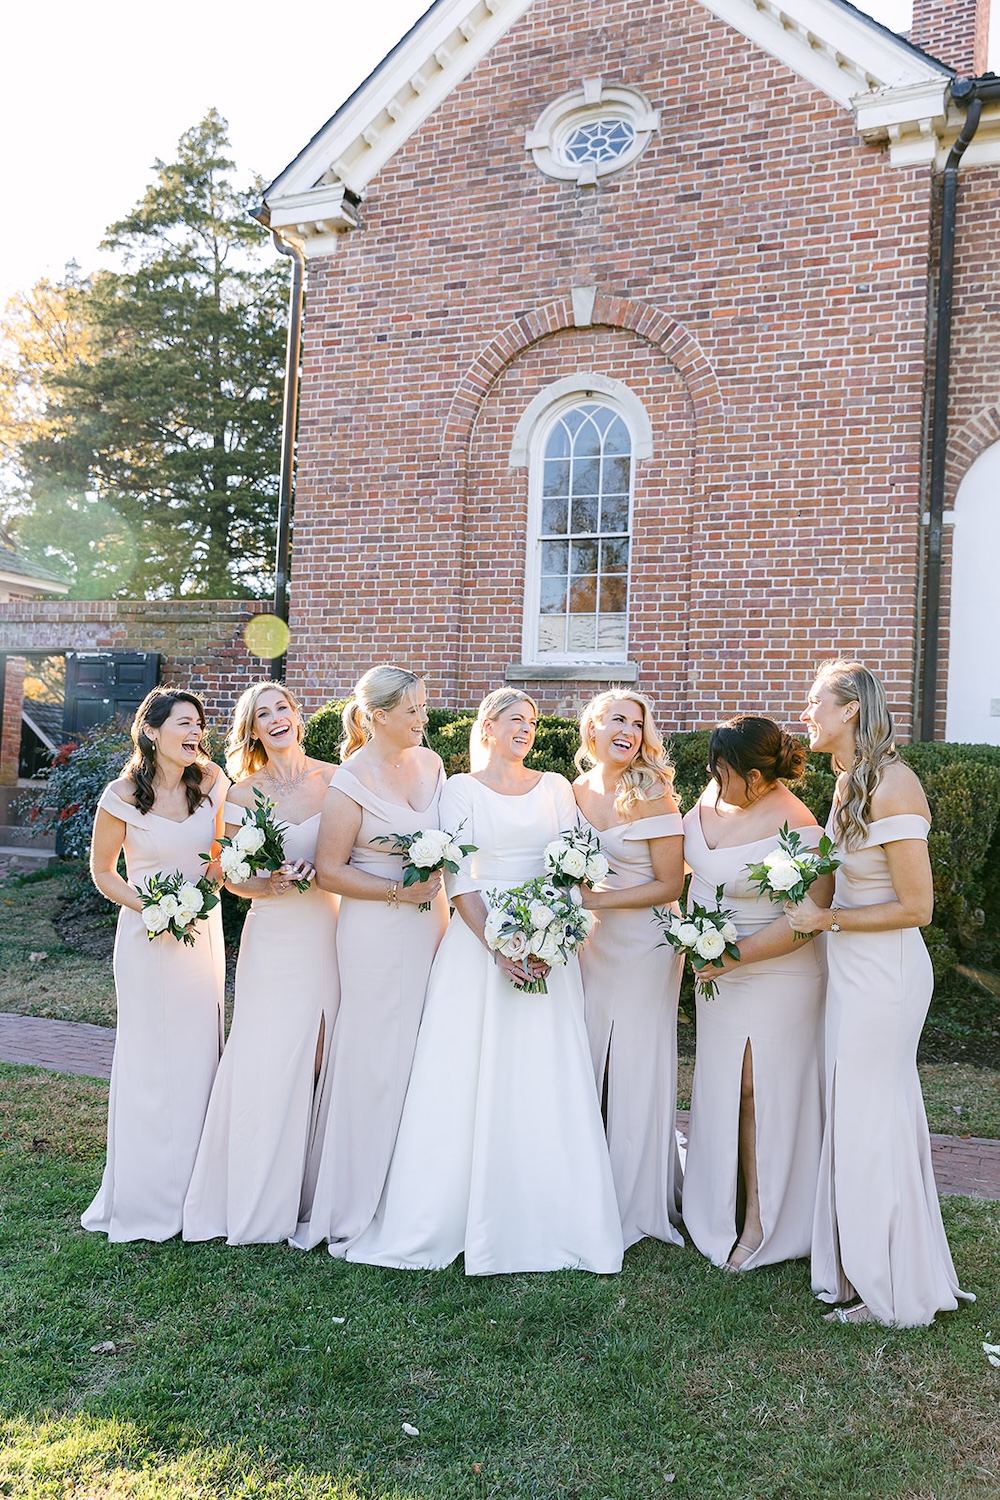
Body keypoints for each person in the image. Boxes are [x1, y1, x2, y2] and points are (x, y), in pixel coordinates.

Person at [345, 688, 624, 1275]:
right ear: (488, 728)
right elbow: (459, 880)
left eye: (532, 722)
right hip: (479, 950)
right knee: (464, 1076)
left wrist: (554, 934)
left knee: (544, 1074)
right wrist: (501, 944)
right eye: (514, 721)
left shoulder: (554, 788)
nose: (526, 730)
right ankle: (451, 1210)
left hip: (549, 947)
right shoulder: (460, 790)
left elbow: (570, 865)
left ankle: (552, 1212)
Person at [788, 659, 974, 1325]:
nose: (805, 714)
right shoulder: (847, 784)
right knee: (862, 1116)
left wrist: (826, 919)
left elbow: (917, 907)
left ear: (850, 712)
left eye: (815, 703)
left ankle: (890, 1285)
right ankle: (862, 1265)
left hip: (886, 973)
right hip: (850, 968)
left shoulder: (895, 788)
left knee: (872, 1120)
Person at [293, 665, 448, 1253]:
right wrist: (395, 892)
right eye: (412, 710)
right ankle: (360, 1192)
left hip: (429, 921)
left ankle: (415, 1184)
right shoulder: (349, 781)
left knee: (421, 1045)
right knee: (376, 1050)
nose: (422, 719)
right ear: (379, 715)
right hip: (376, 926)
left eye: (423, 707)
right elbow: (330, 869)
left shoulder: (433, 765)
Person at [182, 681, 338, 1245]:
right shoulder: (242, 794)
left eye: (283, 709)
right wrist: (268, 881)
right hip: (274, 936)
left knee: (324, 1052)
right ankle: (253, 1193)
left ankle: (311, 1191)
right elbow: (227, 876)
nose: (276, 719)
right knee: (267, 1056)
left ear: (298, 717)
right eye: (262, 714)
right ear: (251, 730)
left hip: (333, 930)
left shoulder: (336, 778)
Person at [681, 715, 827, 1271]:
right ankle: (718, 1202)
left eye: (727, 772)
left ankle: (763, 1222)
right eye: (714, 771)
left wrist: (731, 955)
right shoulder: (712, 799)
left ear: (760, 776)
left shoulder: (799, 824)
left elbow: (807, 920)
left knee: (756, 1089)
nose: (717, 781)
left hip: (776, 972)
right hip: (715, 974)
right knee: (724, 1086)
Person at [83, 688, 227, 1241]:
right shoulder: (120, 796)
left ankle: (200, 1186)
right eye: (184, 724)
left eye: (200, 725)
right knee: (151, 1056)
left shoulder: (212, 784)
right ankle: (147, 1192)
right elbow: (104, 873)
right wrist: (156, 907)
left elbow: (221, 855)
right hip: (147, 939)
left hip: (202, 934)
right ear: (152, 731)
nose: (195, 733)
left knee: (199, 1051)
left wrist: (209, 884)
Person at [572, 691, 685, 1249]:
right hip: (590, 945)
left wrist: (594, 903)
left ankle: (633, 1198)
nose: (630, 731)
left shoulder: (652, 790)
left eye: (638, 723)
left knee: (635, 1060)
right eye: (618, 719)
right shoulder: (571, 792)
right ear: (592, 726)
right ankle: (584, 1185)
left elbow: (669, 884)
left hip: (645, 942)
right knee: (589, 1054)